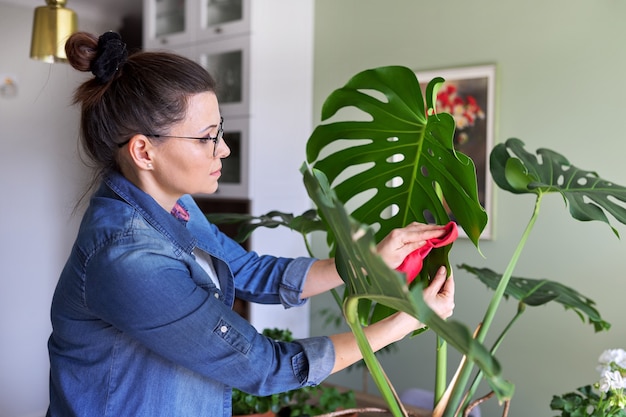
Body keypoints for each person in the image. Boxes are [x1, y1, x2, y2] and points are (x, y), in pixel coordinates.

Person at [46, 31, 455, 417]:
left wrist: (365, 261)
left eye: (219, 131)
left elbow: (248, 272)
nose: (223, 149)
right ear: (143, 151)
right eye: (206, 137)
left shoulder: (173, 206)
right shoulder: (128, 257)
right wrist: (405, 322)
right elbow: (263, 367)